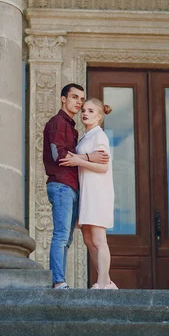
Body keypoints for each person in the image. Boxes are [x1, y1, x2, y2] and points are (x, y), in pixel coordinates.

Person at [43, 84, 110, 289]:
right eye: (74, 97)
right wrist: (89, 157)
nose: (79, 103)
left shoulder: (75, 130)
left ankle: (104, 282)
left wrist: (83, 159)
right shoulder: (57, 123)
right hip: (62, 186)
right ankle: (59, 282)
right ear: (63, 99)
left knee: (69, 238)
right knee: (62, 235)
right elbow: (60, 157)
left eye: (81, 99)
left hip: (74, 188)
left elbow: (100, 165)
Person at [59, 98, 117, 290]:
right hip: (86, 193)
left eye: (91, 111)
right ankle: (106, 281)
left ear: (99, 117)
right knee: (88, 239)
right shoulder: (86, 137)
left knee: (99, 240)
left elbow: (102, 167)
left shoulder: (100, 137)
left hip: (98, 193)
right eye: (84, 110)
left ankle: (102, 283)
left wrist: (79, 161)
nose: (85, 113)